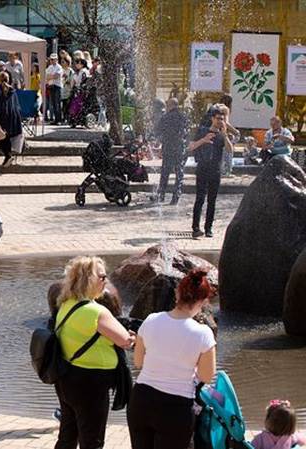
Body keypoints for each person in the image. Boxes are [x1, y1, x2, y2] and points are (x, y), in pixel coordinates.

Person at [128, 268, 217, 449]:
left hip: (141, 399)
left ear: (178, 293)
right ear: (202, 301)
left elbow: (138, 362)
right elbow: (207, 376)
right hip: (176, 406)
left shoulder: (151, 320)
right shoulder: (203, 334)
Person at [52, 256, 135, 449]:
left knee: (67, 436)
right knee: (92, 441)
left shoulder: (66, 303)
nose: (106, 281)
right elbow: (124, 341)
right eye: (102, 277)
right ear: (87, 279)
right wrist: (134, 338)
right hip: (90, 382)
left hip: (66, 377)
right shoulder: (96, 311)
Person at [189, 108, 226, 239]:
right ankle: (195, 228)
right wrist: (204, 140)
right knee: (200, 199)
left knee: (212, 201)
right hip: (203, 169)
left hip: (215, 171)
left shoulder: (222, 135)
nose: (220, 121)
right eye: (218, 118)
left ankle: (208, 228)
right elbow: (191, 147)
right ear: (212, 118)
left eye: (222, 119)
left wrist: (225, 134)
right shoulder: (203, 131)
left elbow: (230, 150)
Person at [155, 98, 189, 205]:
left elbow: (158, 131)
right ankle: (176, 196)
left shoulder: (165, 117)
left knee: (165, 172)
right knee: (179, 173)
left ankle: (161, 195)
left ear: (169, 105)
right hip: (180, 148)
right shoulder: (183, 117)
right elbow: (186, 133)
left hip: (168, 148)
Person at [0, 71, 23, 167]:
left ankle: (8, 155)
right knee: (5, 136)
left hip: (2, 114)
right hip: (14, 115)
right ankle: (8, 157)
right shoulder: (13, 90)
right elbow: (17, 104)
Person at [45, 53, 63, 125]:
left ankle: (59, 120)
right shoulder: (50, 67)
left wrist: (50, 76)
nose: (51, 61)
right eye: (51, 59)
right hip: (51, 86)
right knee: (53, 104)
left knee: (57, 103)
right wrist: (51, 76)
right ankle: (56, 119)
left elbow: (56, 76)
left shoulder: (59, 67)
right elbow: (46, 76)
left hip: (57, 86)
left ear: (56, 60)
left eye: (53, 59)